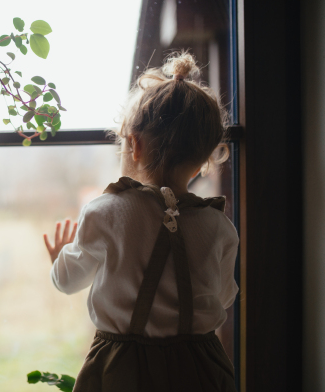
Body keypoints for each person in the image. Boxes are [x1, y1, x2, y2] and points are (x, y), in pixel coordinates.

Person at [43, 51, 239, 392]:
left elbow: (69, 281)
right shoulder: (219, 226)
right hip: (201, 367)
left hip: (122, 367)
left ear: (133, 145)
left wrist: (61, 258)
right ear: (204, 160)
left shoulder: (105, 211)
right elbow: (222, 297)